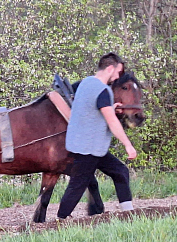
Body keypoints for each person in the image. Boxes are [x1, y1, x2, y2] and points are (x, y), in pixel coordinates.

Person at [56, 53, 137, 220]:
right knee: (78, 185)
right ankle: (61, 220)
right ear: (109, 68)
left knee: (120, 171)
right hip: (88, 147)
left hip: (91, 145)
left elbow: (88, 110)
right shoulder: (103, 91)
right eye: (117, 72)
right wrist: (127, 144)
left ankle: (128, 215)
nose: (117, 77)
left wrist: (110, 106)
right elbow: (112, 122)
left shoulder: (87, 83)